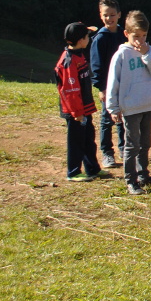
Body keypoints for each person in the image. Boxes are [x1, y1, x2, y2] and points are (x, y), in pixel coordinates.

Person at [106, 10, 151, 196]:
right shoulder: (121, 56)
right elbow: (112, 82)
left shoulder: (149, 51)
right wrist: (113, 107)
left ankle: (143, 175)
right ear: (126, 34)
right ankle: (130, 180)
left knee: (145, 143)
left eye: (144, 36)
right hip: (130, 108)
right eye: (136, 36)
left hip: (147, 104)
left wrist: (147, 54)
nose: (140, 40)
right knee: (132, 145)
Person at [55, 22, 102, 182]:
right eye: (87, 36)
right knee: (76, 142)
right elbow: (70, 90)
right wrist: (77, 113)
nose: (89, 38)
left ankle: (92, 169)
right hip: (76, 111)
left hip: (85, 109)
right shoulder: (69, 61)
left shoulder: (79, 55)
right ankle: (73, 172)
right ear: (81, 39)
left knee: (89, 139)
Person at [89, 0, 127, 169]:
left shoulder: (124, 35)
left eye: (112, 15)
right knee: (106, 120)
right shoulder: (99, 39)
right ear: (100, 16)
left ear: (119, 15)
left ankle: (124, 148)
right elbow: (96, 66)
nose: (109, 18)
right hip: (108, 87)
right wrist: (101, 88)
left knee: (123, 118)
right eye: (106, 15)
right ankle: (107, 153)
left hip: (125, 85)